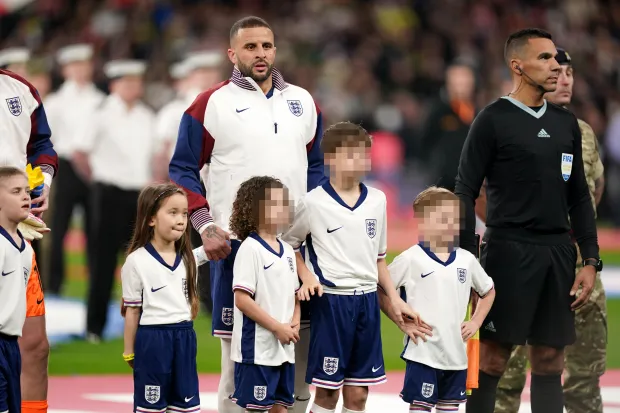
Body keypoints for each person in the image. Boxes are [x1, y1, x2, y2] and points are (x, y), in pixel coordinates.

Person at [169, 16, 326, 413]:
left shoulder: (303, 102)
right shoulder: (211, 103)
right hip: (235, 248)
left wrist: (316, 224)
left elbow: (318, 168)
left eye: (267, 46)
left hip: (295, 247)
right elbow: (183, 168)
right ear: (232, 53)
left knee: (300, 357)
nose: (260, 54)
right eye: (251, 47)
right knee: (236, 360)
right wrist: (204, 225)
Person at [454, 28, 601, 413]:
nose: (557, 67)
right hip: (507, 252)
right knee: (492, 360)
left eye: (556, 58)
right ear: (518, 66)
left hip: (557, 253)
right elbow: (465, 191)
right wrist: (469, 261)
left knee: (551, 361)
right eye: (546, 59)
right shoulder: (492, 119)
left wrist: (589, 259)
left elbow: (579, 195)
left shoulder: (566, 124)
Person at [493, 47, 607, 413]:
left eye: (570, 73)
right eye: (556, 70)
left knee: (584, 371)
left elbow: (594, 189)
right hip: (523, 256)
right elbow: (481, 191)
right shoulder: (504, 120)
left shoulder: (582, 131)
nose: (564, 78)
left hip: (576, 260)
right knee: (505, 371)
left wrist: (580, 237)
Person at [282, 121, 418, 413]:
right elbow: (288, 246)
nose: (360, 161)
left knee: (358, 396)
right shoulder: (312, 202)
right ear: (330, 158)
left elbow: (379, 258)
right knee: (328, 394)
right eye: (352, 154)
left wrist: (394, 300)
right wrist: (306, 276)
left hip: (367, 303)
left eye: (364, 155)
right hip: (330, 303)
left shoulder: (378, 200)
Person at [385, 186, 495, 413]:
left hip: (456, 356)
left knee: (449, 408)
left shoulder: (467, 260)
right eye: (442, 218)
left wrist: (475, 322)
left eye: (454, 219)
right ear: (424, 221)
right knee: (420, 407)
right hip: (423, 353)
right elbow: (381, 289)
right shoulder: (410, 259)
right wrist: (397, 316)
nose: (450, 225)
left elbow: (488, 291)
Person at [72, 59, 157, 343]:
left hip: (139, 196)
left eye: (137, 81)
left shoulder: (147, 115)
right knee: (103, 263)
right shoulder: (101, 113)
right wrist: (98, 180)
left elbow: (155, 156)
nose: (135, 86)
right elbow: (80, 154)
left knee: (141, 262)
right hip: (107, 193)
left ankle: (145, 325)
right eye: (128, 82)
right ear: (114, 85)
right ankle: (94, 327)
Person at [1, 66, 58, 413]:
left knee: (34, 344)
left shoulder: (20, 89)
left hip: (17, 229)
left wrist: (42, 184)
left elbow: (42, 145)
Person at [120, 183, 203, 413]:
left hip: (185, 338)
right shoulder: (136, 261)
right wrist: (129, 350)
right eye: (173, 212)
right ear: (151, 219)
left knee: (185, 408)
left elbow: (211, 249)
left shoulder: (188, 259)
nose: (181, 219)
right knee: (151, 408)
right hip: (153, 341)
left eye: (185, 213)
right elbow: (132, 311)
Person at [228, 176, 300, 412]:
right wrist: (276, 327)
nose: (283, 208)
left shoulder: (288, 251)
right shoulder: (250, 249)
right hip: (257, 351)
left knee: (281, 408)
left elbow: (295, 295)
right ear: (255, 209)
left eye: (284, 202)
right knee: (256, 408)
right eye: (275, 203)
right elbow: (242, 299)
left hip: (284, 350)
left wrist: (294, 325)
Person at [45, 43, 106, 296]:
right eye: (75, 65)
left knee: (96, 228)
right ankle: (54, 283)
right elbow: (47, 138)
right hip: (66, 165)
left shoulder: (101, 100)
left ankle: (96, 284)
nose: (80, 70)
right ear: (66, 69)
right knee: (58, 228)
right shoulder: (55, 101)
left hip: (97, 167)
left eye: (84, 64)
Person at [0, 167, 36, 413]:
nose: (26, 196)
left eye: (27, 191)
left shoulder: (28, 249)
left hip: (12, 347)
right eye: (16, 191)